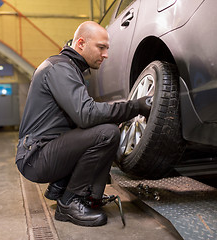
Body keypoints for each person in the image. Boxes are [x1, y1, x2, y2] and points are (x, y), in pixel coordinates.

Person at [15, 21, 151, 227]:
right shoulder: (60, 68)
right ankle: (69, 203)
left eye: (107, 49)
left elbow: (85, 116)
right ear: (80, 43)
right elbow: (86, 115)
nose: (106, 54)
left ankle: (80, 194)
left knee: (104, 128)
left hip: (45, 150)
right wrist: (135, 106)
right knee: (106, 133)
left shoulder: (68, 67)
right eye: (101, 47)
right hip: (36, 157)